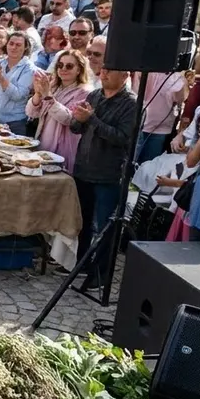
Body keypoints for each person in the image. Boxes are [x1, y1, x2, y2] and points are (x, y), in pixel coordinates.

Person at [70, 67, 137, 288]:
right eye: (103, 70)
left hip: (108, 175)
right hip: (84, 169)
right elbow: (76, 128)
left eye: (110, 71)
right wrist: (79, 118)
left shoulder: (131, 104)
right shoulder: (94, 95)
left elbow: (122, 138)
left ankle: (100, 275)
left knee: (105, 227)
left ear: (125, 76)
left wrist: (92, 119)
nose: (103, 74)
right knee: (82, 222)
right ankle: (80, 264)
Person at [27, 51, 92, 176]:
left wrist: (47, 96)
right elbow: (31, 113)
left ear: (79, 70)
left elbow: (68, 119)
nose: (63, 69)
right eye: (60, 65)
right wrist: (38, 93)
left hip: (64, 146)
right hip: (43, 143)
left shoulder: (85, 92)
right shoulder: (53, 87)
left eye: (69, 66)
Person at [0, 32, 36, 136]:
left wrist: (0, 78)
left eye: (18, 45)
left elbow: (18, 95)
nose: (14, 47)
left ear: (25, 47)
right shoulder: (0, 62)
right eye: (11, 43)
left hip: (14, 123)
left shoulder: (29, 69)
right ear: (7, 44)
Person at [133, 70, 188, 164]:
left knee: (148, 165)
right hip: (140, 125)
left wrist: (181, 80)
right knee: (133, 162)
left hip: (159, 128)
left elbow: (180, 99)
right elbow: (137, 93)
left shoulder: (176, 76)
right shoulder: (144, 70)